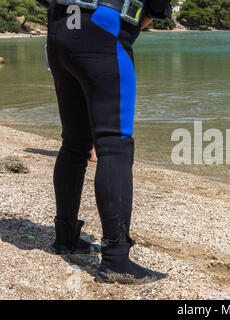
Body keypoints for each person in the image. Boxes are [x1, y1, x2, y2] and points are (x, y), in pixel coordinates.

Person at [42, 0, 172, 284]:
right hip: (104, 27)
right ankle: (116, 260)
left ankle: (66, 239)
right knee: (115, 145)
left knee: (74, 142)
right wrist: (153, 12)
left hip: (59, 28)